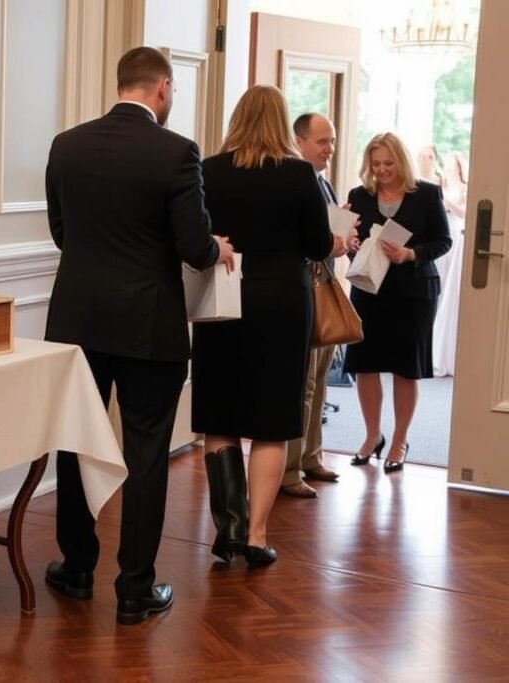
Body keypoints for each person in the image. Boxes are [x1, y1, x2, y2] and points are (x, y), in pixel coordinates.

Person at [44, 46, 234, 625]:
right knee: (146, 453)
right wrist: (217, 249)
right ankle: (134, 588)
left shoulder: (66, 145)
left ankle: (76, 568)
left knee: (76, 441)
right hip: (149, 325)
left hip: (77, 320)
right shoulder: (177, 152)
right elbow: (192, 245)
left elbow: (60, 232)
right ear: (163, 88)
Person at [192, 86, 339, 569]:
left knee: (221, 417)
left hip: (225, 299)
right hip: (281, 303)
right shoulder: (299, 175)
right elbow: (318, 244)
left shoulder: (208, 170)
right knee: (272, 424)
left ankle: (228, 528)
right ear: (281, 123)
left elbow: (197, 236)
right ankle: (256, 535)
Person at [344, 132, 452, 472]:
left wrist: (411, 253)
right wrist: (349, 244)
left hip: (414, 292)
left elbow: (443, 240)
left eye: (388, 163)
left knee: (407, 368)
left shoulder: (427, 194)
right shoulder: (358, 196)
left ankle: (399, 440)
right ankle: (372, 435)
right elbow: (350, 241)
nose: (382, 170)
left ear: (401, 161)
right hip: (369, 290)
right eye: (376, 164)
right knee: (365, 363)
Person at [280, 112, 347, 499]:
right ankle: (288, 468)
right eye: (323, 142)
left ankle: (311, 456)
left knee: (320, 380)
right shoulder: (292, 180)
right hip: (302, 292)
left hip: (324, 289)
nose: (330, 149)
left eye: (333, 141)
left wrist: (342, 240)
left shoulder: (324, 183)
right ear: (299, 141)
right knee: (301, 383)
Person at [433, 150, 469, 376]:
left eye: (450, 164)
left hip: (457, 234)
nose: (446, 167)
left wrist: (448, 202)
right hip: (443, 234)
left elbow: (465, 213)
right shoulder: (440, 186)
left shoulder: (464, 189)